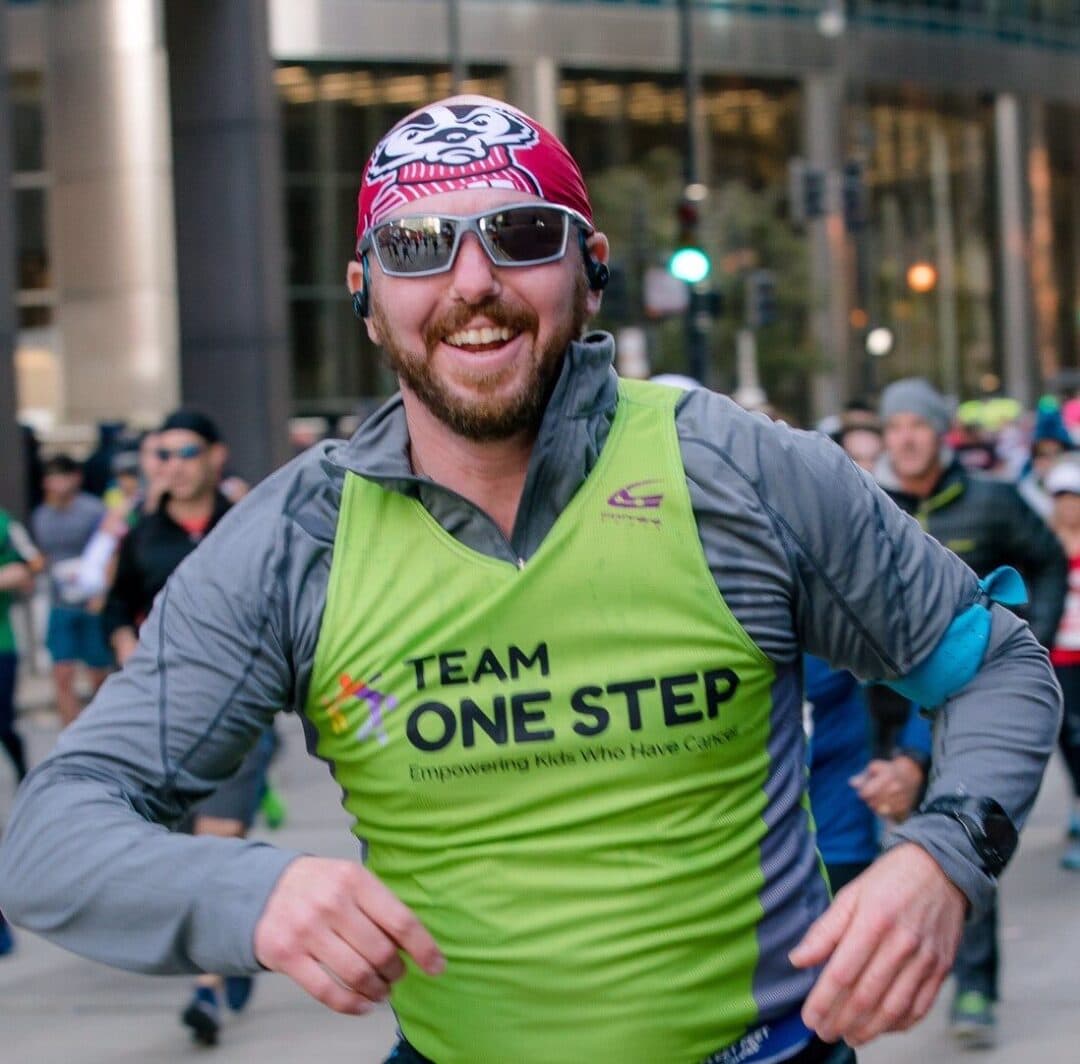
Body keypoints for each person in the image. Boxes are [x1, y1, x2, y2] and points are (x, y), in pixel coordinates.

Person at [0, 97, 1061, 1064]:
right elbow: (55, 831)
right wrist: (250, 888)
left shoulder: (738, 469)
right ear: (366, 296)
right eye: (417, 247)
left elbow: (995, 662)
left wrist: (943, 855)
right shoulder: (293, 540)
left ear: (588, 267)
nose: (472, 284)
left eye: (521, 235)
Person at [877, 376, 1067, 1050]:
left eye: (917, 424)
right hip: (887, 709)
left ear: (940, 432)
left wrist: (1029, 640)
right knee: (904, 845)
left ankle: (976, 984)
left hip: (967, 703)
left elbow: (1046, 562)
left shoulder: (990, 503)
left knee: (960, 832)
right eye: (894, 424)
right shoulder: (868, 505)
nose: (904, 436)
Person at [102, 409, 271, 1044]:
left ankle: (205, 991)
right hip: (168, 716)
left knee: (218, 846)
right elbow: (115, 605)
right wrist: (123, 640)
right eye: (161, 453)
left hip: (243, 712)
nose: (172, 464)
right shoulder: (141, 537)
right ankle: (234, 953)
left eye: (185, 450)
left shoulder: (250, 523)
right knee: (187, 855)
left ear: (215, 456)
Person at [29, 455, 112, 726]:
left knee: (98, 674)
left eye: (63, 476)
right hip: (59, 601)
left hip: (91, 600)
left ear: (75, 477)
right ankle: (70, 739)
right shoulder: (41, 516)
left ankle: (102, 732)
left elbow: (109, 551)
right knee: (62, 671)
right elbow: (43, 556)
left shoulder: (93, 510)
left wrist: (102, 593)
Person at [1043, 459, 1080, 869]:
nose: (1068, 506)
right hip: (1060, 656)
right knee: (1069, 735)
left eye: (1074, 497)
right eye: (1062, 498)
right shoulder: (1046, 543)